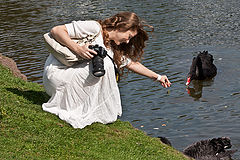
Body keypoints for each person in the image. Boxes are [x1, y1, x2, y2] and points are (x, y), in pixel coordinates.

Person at [42, 11, 171, 129]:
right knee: (106, 65)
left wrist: (158, 77)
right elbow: (56, 30)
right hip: (58, 74)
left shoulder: (111, 46)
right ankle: (77, 109)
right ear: (121, 27)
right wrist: (78, 49)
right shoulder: (94, 28)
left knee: (105, 63)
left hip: (70, 76)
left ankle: (85, 108)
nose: (127, 41)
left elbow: (131, 64)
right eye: (129, 36)